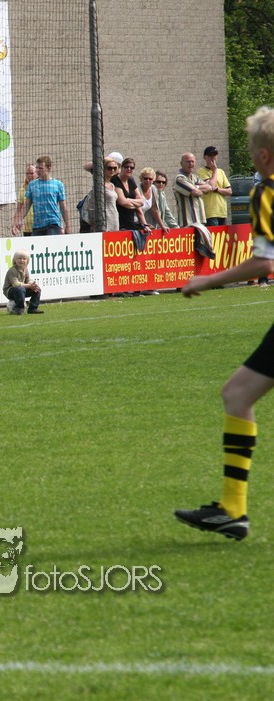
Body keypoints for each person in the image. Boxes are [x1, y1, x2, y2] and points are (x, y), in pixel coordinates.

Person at [174, 106, 274, 541]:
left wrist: (208, 279)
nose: (249, 156)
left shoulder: (266, 191)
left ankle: (233, 508)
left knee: (237, 394)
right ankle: (232, 509)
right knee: (237, 393)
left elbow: (263, 262)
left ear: (264, 156)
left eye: (251, 149)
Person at [14, 155, 70, 236]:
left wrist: (67, 225)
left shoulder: (58, 185)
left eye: (41, 168)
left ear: (48, 168)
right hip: (37, 226)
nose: (38, 170)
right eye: (37, 168)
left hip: (53, 225)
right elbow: (26, 206)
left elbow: (63, 206)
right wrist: (18, 220)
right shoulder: (32, 185)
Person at [172, 152, 209, 227]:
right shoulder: (179, 178)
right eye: (188, 161)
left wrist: (195, 187)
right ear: (181, 163)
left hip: (200, 220)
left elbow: (209, 187)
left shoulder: (195, 177)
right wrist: (198, 188)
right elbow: (194, 192)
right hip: (188, 222)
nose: (191, 164)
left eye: (192, 161)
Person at [198, 145, 232, 227]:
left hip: (222, 211)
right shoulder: (201, 171)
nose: (213, 158)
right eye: (210, 155)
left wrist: (217, 189)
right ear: (205, 157)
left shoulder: (221, 172)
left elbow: (229, 191)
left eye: (214, 155)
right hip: (210, 212)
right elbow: (210, 186)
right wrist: (214, 171)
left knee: (223, 235)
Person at [112, 157, 147, 231]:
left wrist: (145, 225)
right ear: (121, 167)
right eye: (126, 167)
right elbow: (122, 202)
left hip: (130, 222)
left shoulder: (131, 180)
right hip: (119, 223)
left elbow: (141, 202)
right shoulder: (115, 180)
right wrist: (135, 203)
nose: (129, 169)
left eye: (132, 167)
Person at [2, 250, 43, 315]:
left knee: (37, 289)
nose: (22, 260)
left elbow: (28, 280)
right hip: (10, 291)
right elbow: (15, 284)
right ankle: (19, 308)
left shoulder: (25, 269)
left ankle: (33, 308)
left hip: (21, 289)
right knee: (20, 289)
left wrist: (32, 284)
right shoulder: (12, 270)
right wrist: (29, 286)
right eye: (19, 258)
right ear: (15, 260)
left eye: (24, 259)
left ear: (27, 261)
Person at [11, 163, 37, 235]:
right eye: (27, 173)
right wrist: (15, 224)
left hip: (40, 227)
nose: (29, 176)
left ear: (37, 174)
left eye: (31, 173)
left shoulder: (41, 188)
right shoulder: (22, 190)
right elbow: (18, 209)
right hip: (27, 229)